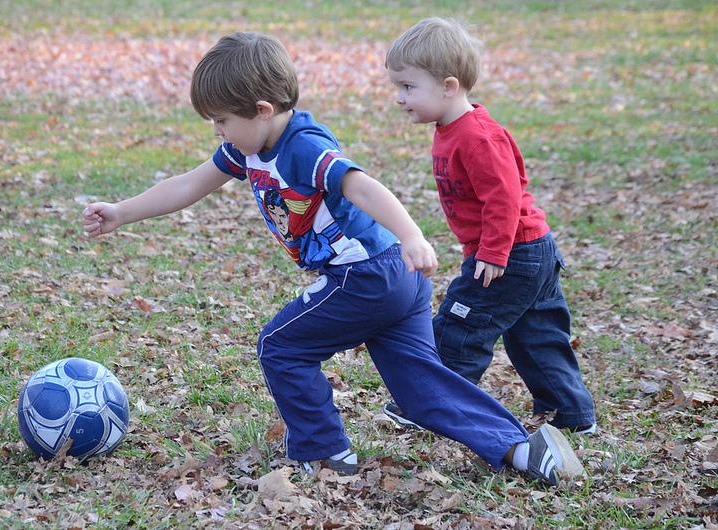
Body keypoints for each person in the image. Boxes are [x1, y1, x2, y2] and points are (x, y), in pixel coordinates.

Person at [82, 31, 583, 485]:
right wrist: (122, 212)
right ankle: (522, 450)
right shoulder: (247, 149)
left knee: (280, 346)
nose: (218, 132)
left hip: (365, 275)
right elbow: (189, 184)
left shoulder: (302, 146)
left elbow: (361, 186)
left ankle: (323, 451)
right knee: (419, 387)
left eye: (222, 121)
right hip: (394, 279)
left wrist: (411, 235)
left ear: (261, 109)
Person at [382, 18, 596, 435]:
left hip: (511, 253)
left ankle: (430, 405)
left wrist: (493, 252)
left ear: (448, 86)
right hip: (529, 248)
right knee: (534, 335)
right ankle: (571, 413)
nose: (399, 98)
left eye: (408, 87)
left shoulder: (478, 136)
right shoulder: (450, 127)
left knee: (461, 325)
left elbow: (505, 197)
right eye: (398, 88)